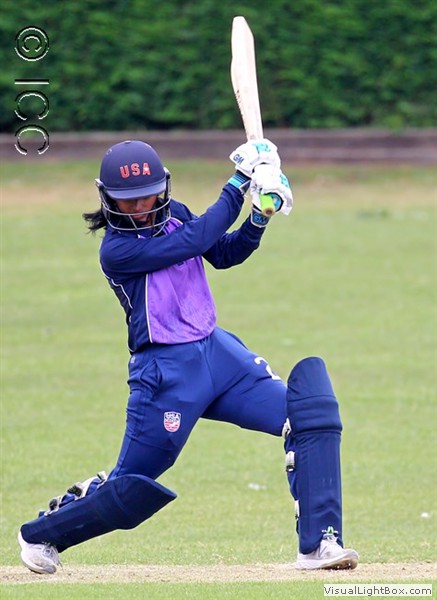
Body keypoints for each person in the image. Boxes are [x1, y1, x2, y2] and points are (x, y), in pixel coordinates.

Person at [18, 139, 358, 574]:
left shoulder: (175, 213)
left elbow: (224, 252)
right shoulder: (116, 250)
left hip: (220, 355)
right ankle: (42, 533)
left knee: (309, 415)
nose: (140, 207)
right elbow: (196, 239)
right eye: (128, 200)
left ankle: (321, 544)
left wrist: (260, 215)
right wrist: (240, 180)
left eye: (148, 196)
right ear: (107, 199)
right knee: (133, 484)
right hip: (166, 373)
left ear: (163, 188)